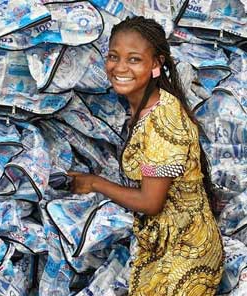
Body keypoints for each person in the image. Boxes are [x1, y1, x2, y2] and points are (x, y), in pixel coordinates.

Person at [68, 16, 224, 295]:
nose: (120, 68)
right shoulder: (146, 104)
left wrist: (94, 183)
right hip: (168, 242)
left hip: (185, 257)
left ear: (155, 64)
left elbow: (150, 202)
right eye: (114, 57)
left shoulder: (162, 120)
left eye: (134, 59)